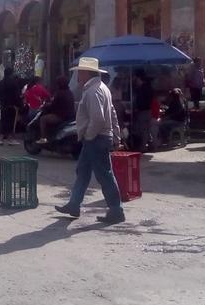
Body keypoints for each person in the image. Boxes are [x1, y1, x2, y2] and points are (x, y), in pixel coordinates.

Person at [55, 57, 125, 224]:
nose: (78, 76)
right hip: (99, 137)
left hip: (96, 138)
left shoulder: (93, 91)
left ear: (86, 73)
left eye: (79, 72)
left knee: (104, 175)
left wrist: (89, 135)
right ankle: (74, 204)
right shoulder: (102, 88)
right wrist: (115, 135)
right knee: (83, 171)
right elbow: (112, 114)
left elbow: (99, 119)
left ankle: (116, 210)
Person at [38, 76, 75, 144]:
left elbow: (53, 106)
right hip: (69, 116)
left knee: (43, 119)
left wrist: (46, 106)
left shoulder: (60, 93)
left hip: (61, 116)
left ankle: (43, 138)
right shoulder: (69, 92)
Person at [0, 67, 23, 146]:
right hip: (12, 105)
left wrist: (2, 100)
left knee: (4, 121)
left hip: (3, 104)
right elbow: (16, 95)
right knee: (11, 122)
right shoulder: (13, 83)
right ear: (11, 73)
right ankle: (10, 139)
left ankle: (1, 139)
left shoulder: (0, 83)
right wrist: (19, 105)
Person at [133, 70, 154, 151]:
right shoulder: (148, 87)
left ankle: (143, 146)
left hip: (143, 110)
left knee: (143, 129)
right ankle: (151, 144)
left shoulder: (142, 88)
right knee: (147, 129)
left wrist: (137, 107)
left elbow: (141, 101)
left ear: (139, 78)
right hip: (148, 110)